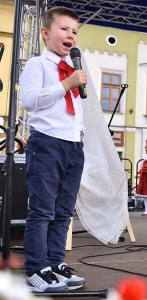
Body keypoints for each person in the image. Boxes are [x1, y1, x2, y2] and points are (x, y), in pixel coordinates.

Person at [19, 7, 86, 293]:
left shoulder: (73, 68)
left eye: (74, 31)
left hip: (73, 144)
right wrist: (65, 84)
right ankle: (37, 268)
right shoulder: (37, 64)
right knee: (42, 211)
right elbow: (31, 101)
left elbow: (75, 111)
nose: (70, 35)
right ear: (45, 33)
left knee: (63, 212)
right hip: (47, 143)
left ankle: (56, 263)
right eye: (64, 29)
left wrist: (81, 139)